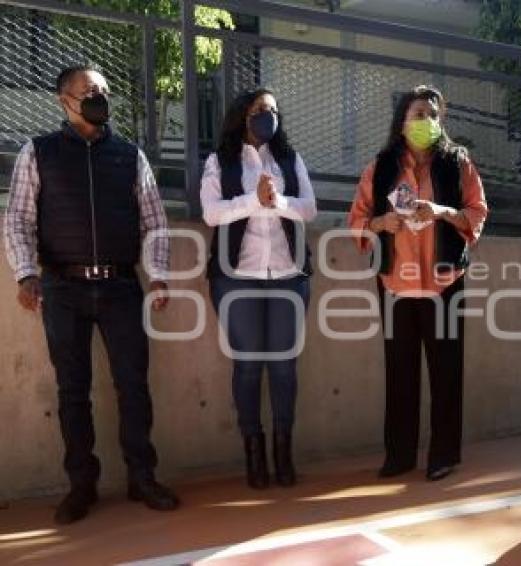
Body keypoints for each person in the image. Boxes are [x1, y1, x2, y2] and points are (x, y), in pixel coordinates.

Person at [3, 65, 179, 524]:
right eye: (89, 92)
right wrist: (25, 274)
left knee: (134, 387)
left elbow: (154, 221)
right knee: (72, 391)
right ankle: (81, 485)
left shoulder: (130, 155)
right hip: (62, 288)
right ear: (65, 100)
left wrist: (158, 274)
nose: (99, 97)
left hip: (121, 286)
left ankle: (143, 478)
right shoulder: (38, 152)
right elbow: (18, 219)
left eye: (103, 89)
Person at [348, 85, 488, 481]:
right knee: (400, 372)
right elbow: (356, 219)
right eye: (418, 114)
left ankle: (443, 454)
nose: (427, 121)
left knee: (446, 370)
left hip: (444, 283)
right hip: (396, 283)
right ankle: (399, 455)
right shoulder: (381, 168)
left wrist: (443, 211)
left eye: (433, 114)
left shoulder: (458, 164)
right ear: (402, 121)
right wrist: (381, 223)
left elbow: (477, 211)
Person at [201, 88, 316, 489]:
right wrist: (255, 200)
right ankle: (254, 452)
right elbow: (212, 213)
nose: (267, 116)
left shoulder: (290, 158)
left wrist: (278, 201)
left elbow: (309, 208)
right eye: (258, 110)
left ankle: (284, 452)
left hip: (288, 275)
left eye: (272, 110)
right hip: (237, 276)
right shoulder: (220, 161)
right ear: (241, 117)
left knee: (284, 367)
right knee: (248, 367)